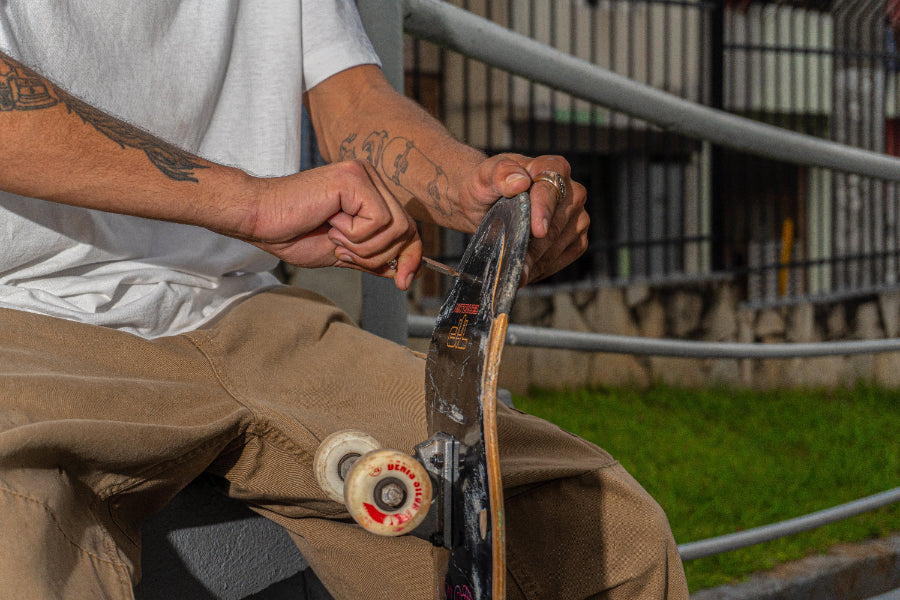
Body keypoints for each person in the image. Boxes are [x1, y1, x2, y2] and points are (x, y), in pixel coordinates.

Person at [0, 2, 688, 599]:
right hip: (22, 320)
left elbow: (352, 100)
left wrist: (471, 190)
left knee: (606, 531)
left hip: (245, 311)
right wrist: (249, 202)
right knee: (15, 550)